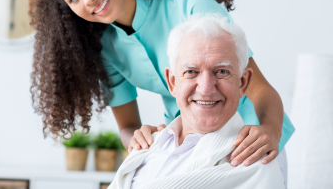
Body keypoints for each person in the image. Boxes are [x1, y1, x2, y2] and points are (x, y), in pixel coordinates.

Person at [27, 0, 294, 172]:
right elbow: (128, 126)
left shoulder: (189, 5)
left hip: (250, 142)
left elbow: (260, 89)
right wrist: (140, 137)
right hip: (190, 149)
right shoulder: (105, 49)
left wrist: (270, 130)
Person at [108, 14, 285, 189]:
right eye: (191, 72)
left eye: (222, 71)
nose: (206, 88)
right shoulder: (147, 146)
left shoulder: (256, 164)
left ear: (243, 83)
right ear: (172, 82)